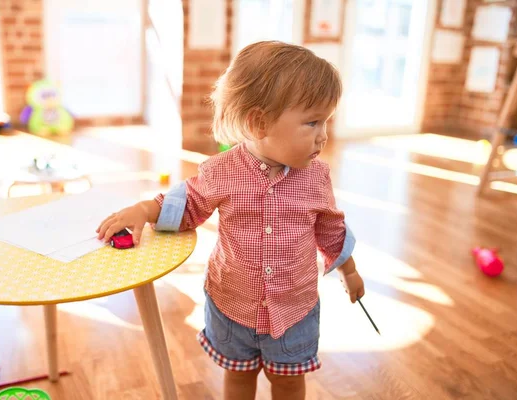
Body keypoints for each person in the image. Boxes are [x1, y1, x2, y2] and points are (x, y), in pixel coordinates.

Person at [97, 41, 365, 400]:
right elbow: (187, 203)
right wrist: (146, 210)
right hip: (232, 305)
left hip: (294, 309)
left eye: (326, 121)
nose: (323, 135)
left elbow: (330, 230)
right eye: (312, 122)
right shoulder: (222, 171)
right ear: (259, 122)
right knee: (238, 378)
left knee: (288, 381)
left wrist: (349, 271)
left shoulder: (316, 176)